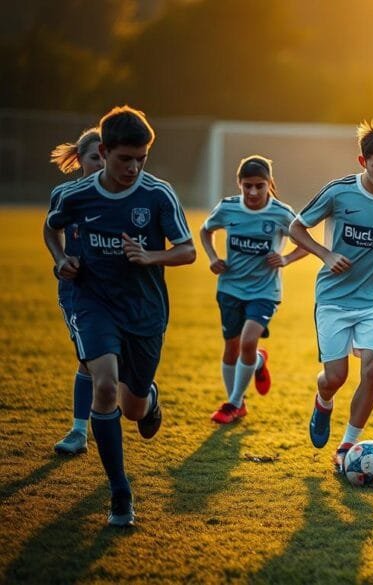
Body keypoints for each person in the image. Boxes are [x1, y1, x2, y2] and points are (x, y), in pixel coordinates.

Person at [44, 105, 196, 526]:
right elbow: (51, 227)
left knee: (132, 406)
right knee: (105, 386)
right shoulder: (75, 195)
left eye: (141, 159)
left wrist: (150, 256)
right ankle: (120, 493)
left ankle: (149, 401)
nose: (133, 168)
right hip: (92, 300)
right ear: (104, 151)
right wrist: (61, 260)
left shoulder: (158, 195)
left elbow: (187, 251)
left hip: (144, 310)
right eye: (125, 159)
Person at [290, 120, 373, 472]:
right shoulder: (339, 193)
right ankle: (323, 401)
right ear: (362, 161)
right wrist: (325, 254)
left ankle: (348, 444)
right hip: (334, 298)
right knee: (335, 377)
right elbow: (296, 227)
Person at [199, 156, 308, 424]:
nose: (253, 192)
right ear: (239, 183)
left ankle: (233, 403)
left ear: (270, 183)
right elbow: (205, 231)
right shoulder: (228, 208)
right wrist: (213, 257)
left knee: (248, 340)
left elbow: (306, 243)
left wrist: (286, 259)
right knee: (232, 348)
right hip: (230, 288)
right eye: (247, 186)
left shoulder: (281, 213)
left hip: (264, 291)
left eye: (260, 185)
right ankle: (254, 369)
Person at [48, 127, 104, 455]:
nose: (101, 163)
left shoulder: (125, 194)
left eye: (105, 156)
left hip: (114, 290)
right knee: (89, 356)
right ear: (81, 159)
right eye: (94, 157)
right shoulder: (64, 194)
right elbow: (51, 231)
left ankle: (139, 397)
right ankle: (79, 431)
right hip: (76, 290)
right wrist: (61, 260)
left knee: (111, 361)